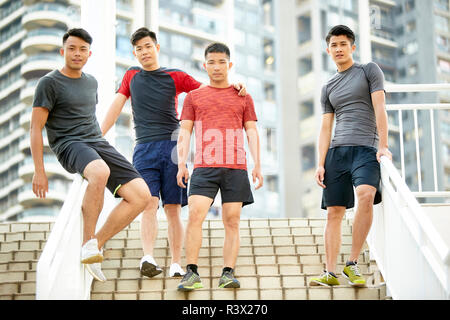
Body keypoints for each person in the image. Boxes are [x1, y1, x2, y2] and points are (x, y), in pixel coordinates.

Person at [101, 27, 246, 278]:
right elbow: (116, 106)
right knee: (147, 202)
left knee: (173, 209)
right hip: (143, 149)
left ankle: (177, 263)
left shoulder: (175, 76)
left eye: (148, 46)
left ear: (156, 48)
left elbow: (209, 91)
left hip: (172, 147)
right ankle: (148, 257)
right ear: (134, 54)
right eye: (138, 49)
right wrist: (97, 135)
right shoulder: (131, 75)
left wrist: (234, 85)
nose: (144, 52)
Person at [30, 28, 152, 282]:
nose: (77, 53)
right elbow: (35, 127)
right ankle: (87, 241)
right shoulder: (49, 83)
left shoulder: (91, 82)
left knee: (142, 195)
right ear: (63, 51)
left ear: (89, 53)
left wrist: (101, 141)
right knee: (99, 172)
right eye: (72, 48)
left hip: (96, 141)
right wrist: (39, 170)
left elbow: (88, 118)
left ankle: (96, 244)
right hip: (68, 143)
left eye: (82, 49)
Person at [176, 42, 263, 291]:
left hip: (236, 167)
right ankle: (191, 272)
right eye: (211, 62)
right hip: (204, 166)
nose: (216, 67)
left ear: (229, 64)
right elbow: (184, 132)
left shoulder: (243, 96)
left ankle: (228, 273)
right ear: (204, 65)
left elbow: (252, 131)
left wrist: (257, 164)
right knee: (194, 215)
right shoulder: (193, 97)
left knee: (232, 220)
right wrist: (181, 164)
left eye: (221, 61)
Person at [310, 25, 392, 287]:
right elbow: (325, 128)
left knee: (366, 195)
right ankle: (330, 272)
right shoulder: (328, 86)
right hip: (337, 152)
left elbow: (380, 108)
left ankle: (353, 263)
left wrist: (384, 145)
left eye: (343, 44)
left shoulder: (369, 70)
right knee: (334, 211)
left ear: (352, 47)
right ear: (328, 50)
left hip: (366, 149)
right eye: (334, 45)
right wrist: (320, 163)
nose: (338, 49)